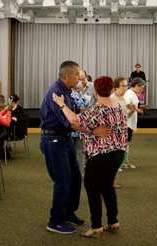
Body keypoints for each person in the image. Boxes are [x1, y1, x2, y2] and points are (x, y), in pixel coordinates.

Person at [39, 60, 110, 235]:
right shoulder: (57, 92)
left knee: (76, 178)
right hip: (54, 140)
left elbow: (76, 110)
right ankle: (55, 221)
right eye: (77, 74)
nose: (79, 78)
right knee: (63, 181)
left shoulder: (66, 91)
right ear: (68, 74)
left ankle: (68, 213)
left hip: (65, 139)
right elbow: (71, 122)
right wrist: (94, 131)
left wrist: (96, 109)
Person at [52, 76, 127, 238]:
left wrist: (62, 104)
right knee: (107, 186)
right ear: (112, 89)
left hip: (102, 154)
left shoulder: (98, 110)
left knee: (92, 187)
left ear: (95, 91)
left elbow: (73, 120)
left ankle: (96, 227)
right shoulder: (117, 106)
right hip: (118, 153)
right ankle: (113, 222)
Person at [110, 76, 137, 187]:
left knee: (120, 156)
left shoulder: (123, 99)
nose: (125, 88)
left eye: (126, 85)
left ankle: (112, 178)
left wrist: (132, 111)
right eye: (122, 86)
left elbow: (125, 116)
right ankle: (111, 180)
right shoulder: (112, 98)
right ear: (116, 87)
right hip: (114, 132)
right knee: (114, 157)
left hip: (122, 130)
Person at [123, 77, 145, 168]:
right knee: (125, 143)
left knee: (127, 142)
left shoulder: (132, 93)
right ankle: (123, 162)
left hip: (129, 121)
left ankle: (126, 161)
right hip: (127, 122)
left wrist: (142, 106)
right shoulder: (130, 93)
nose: (142, 89)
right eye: (141, 87)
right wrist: (137, 110)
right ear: (136, 85)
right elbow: (126, 103)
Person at [70, 81, 91, 178]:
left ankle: (68, 175)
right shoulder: (85, 99)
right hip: (81, 130)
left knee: (68, 153)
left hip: (69, 129)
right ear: (80, 88)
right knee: (80, 153)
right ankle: (80, 175)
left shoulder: (67, 98)